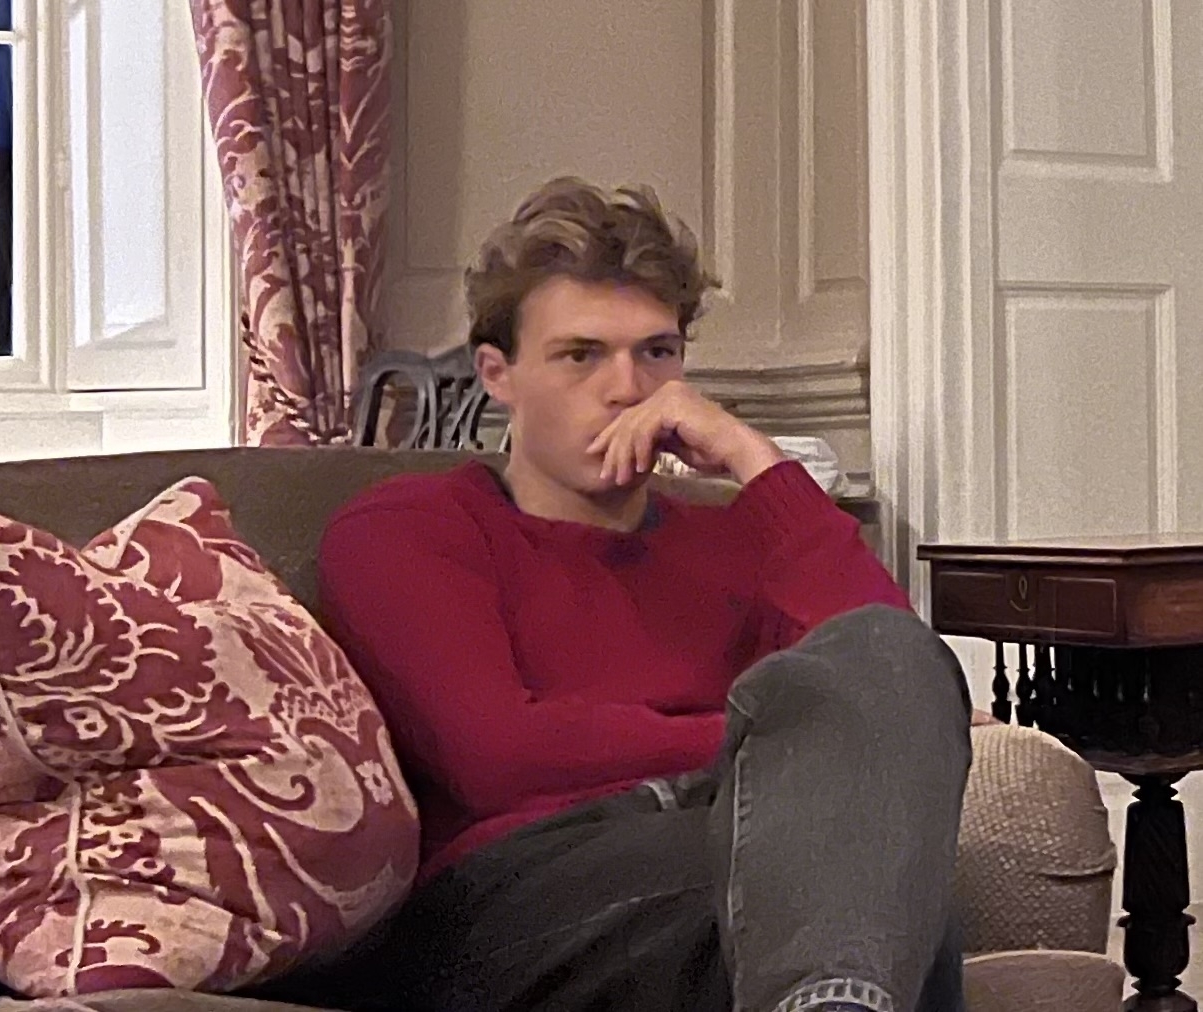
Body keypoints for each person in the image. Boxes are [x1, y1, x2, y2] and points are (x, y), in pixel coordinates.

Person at [298, 178, 974, 1012]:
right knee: (870, 885)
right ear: (498, 374)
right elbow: (499, 757)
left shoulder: (735, 542)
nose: (628, 388)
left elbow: (884, 667)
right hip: (515, 889)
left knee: (881, 709)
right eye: (581, 355)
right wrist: (779, 733)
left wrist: (753, 458)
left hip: (727, 850)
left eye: (656, 353)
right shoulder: (407, 526)